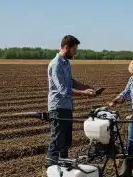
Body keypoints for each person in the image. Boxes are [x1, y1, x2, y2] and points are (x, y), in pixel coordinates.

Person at [46, 35, 102, 166]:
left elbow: (70, 81)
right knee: (57, 140)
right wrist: (83, 93)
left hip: (66, 107)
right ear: (66, 47)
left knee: (65, 141)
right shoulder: (56, 64)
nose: (75, 52)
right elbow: (62, 89)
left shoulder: (65, 63)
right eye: (74, 49)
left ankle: (63, 167)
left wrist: (86, 87)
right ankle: (51, 167)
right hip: (58, 107)